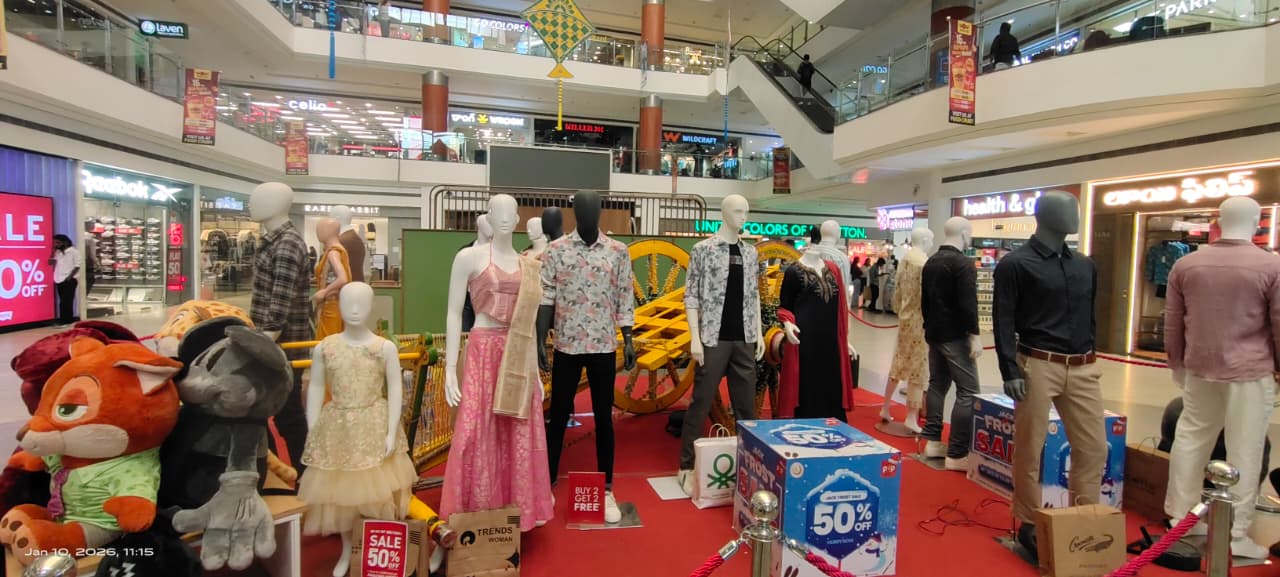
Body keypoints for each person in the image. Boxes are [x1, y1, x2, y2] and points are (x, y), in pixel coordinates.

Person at [50, 234, 81, 325]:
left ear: (65, 242)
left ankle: (66, 320)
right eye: (55, 243)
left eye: (58, 243)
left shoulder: (74, 252)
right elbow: (50, 262)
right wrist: (52, 252)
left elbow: (77, 266)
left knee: (67, 301)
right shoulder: (58, 253)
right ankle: (64, 319)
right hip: (58, 279)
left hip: (69, 280)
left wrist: (69, 277)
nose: (56, 245)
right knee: (62, 301)